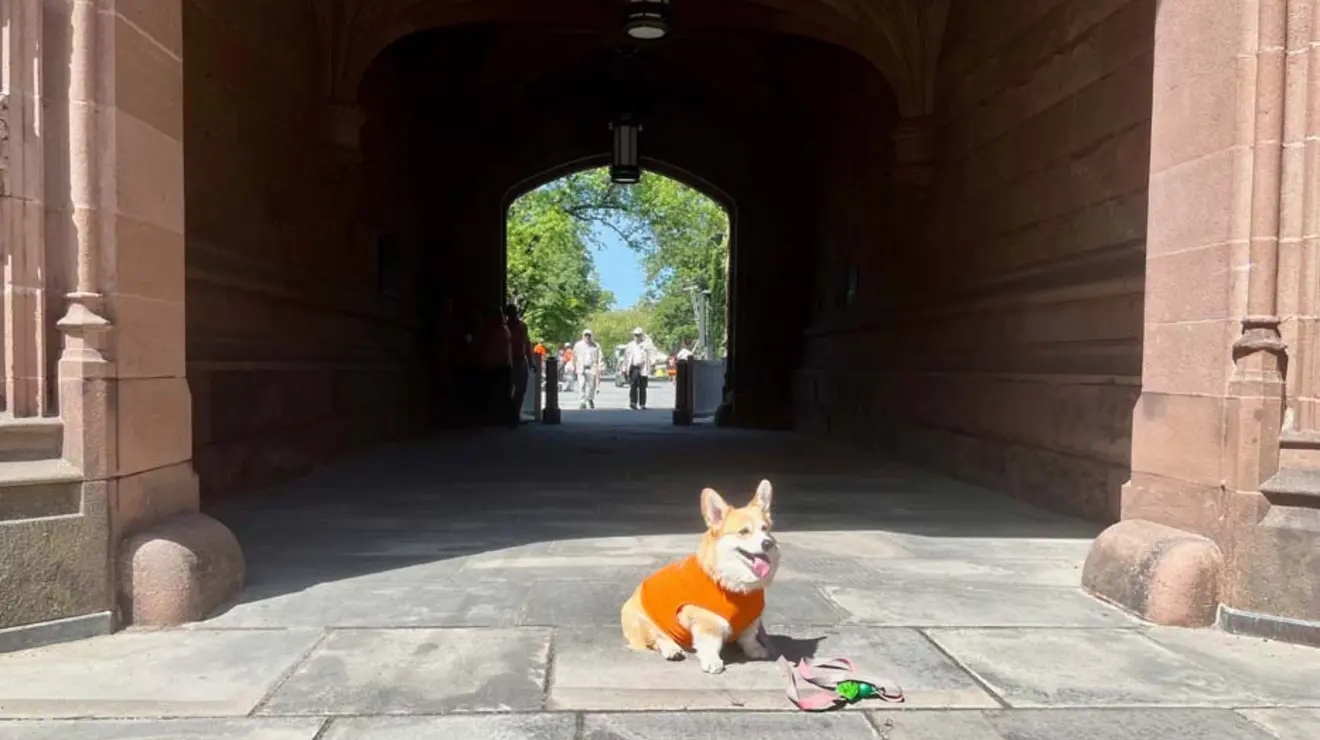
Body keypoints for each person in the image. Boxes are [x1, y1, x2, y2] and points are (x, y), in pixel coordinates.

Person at [504, 303, 533, 427]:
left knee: (521, 389)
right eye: (510, 313)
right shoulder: (505, 328)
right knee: (508, 389)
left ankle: (515, 414)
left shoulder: (522, 326)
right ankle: (510, 416)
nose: (513, 315)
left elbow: (527, 343)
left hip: (521, 360)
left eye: (514, 312)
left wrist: (530, 361)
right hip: (509, 361)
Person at [622, 327, 655, 410]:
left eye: (638, 335)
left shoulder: (646, 345)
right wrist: (624, 368)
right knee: (633, 385)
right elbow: (626, 357)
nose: (636, 337)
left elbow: (652, 354)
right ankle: (633, 402)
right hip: (634, 367)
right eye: (635, 335)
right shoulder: (630, 345)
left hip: (643, 368)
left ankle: (642, 404)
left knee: (642, 387)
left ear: (641, 335)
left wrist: (653, 364)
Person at [572, 329, 604, 409]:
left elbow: (600, 357)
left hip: (592, 367)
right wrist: (574, 366)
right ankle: (582, 401)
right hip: (581, 367)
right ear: (583, 336)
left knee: (591, 386)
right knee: (581, 384)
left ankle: (590, 399)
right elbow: (574, 356)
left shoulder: (596, 345)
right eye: (585, 335)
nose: (587, 337)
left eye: (589, 335)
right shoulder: (578, 345)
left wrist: (600, 366)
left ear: (591, 336)